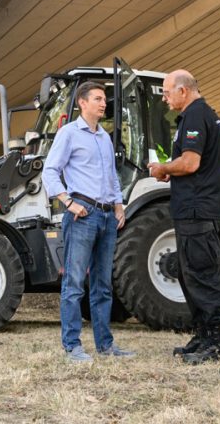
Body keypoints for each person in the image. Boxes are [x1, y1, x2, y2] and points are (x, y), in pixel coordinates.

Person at [42, 81, 134, 362]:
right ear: (82, 103)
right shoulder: (69, 134)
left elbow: (111, 177)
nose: (103, 103)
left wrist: (118, 206)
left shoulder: (104, 138)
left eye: (104, 99)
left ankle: (105, 346)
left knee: (103, 285)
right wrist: (68, 203)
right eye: (97, 98)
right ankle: (72, 346)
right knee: (74, 283)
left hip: (107, 217)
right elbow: (50, 172)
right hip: (82, 216)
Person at [147, 70, 220, 364]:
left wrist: (163, 169)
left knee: (204, 276)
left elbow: (191, 162)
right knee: (189, 275)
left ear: (183, 91)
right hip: (194, 208)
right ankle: (204, 335)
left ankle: (219, 343)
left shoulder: (196, 116)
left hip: (199, 210)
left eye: (167, 92)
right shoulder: (201, 115)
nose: (165, 98)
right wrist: (172, 173)